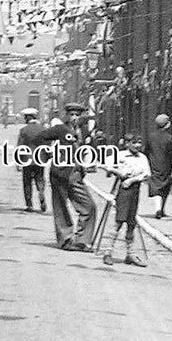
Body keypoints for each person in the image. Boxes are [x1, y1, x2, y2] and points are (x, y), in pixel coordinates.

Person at [39, 103, 97, 251]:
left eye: (77, 115)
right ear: (66, 116)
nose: (74, 118)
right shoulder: (59, 129)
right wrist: (48, 152)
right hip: (59, 173)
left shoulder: (85, 131)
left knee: (89, 206)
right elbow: (40, 137)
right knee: (60, 207)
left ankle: (82, 241)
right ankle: (65, 240)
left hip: (76, 174)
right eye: (71, 115)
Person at [100, 134, 150, 267]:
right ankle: (107, 252)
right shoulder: (120, 155)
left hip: (135, 189)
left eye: (139, 142)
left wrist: (132, 180)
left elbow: (146, 174)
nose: (137, 145)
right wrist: (118, 172)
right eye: (134, 142)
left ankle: (130, 254)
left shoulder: (142, 157)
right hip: (122, 190)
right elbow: (103, 164)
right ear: (127, 144)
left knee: (131, 222)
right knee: (119, 221)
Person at [145, 114, 172, 219]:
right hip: (166, 166)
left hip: (153, 164)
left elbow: (146, 151)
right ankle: (161, 209)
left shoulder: (151, 136)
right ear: (167, 125)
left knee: (155, 188)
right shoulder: (170, 138)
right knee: (165, 188)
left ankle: (158, 209)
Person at [16, 107, 47, 212]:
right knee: (40, 179)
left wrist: (18, 162)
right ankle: (41, 193)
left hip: (27, 160)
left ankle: (29, 205)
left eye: (25, 117)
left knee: (27, 182)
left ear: (29, 117)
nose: (25, 119)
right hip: (40, 159)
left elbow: (20, 147)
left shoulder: (24, 130)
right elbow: (47, 144)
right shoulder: (43, 129)